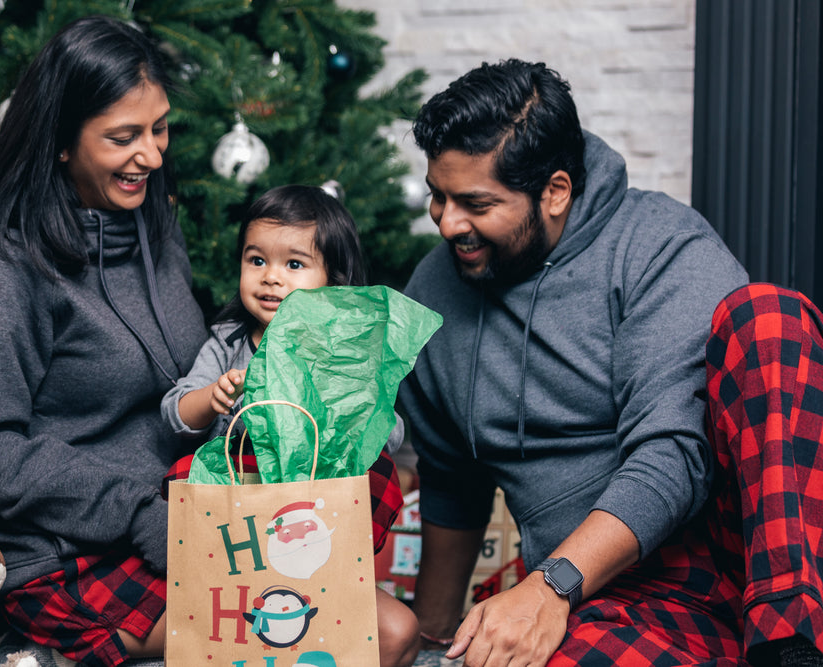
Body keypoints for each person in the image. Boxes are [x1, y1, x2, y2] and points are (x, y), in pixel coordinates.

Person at [398, 58, 823, 666]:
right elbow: (451, 483)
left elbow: (673, 454)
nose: (447, 223)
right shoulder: (434, 296)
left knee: (768, 315)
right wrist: (433, 645)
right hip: (619, 598)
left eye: (475, 202)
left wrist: (549, 586)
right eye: (438, 196)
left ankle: (795, 646)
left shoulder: (663, 247)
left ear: (555, 191)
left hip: (746, 552)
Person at [0, 15, 209, 665]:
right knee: (320, 628)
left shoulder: (153, 230)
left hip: (175, 514)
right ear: (62, 141)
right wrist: (137, 512)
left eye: (159, 127)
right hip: (71, 551)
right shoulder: (5, 271)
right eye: (124, 137)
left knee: (384, 628)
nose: (152, 154)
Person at [160, 183, 421, 667]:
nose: (270, 278)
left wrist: (340, 417)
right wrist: (211, 398)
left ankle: (327, 577)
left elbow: (391, 431)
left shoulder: (340, 352)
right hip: (239, 524)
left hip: (315, 517)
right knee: (182, 473)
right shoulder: (229, 342)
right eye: (256, 260)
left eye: (294, 265)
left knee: (382, 479)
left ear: (334, 282)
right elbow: (174, 411)